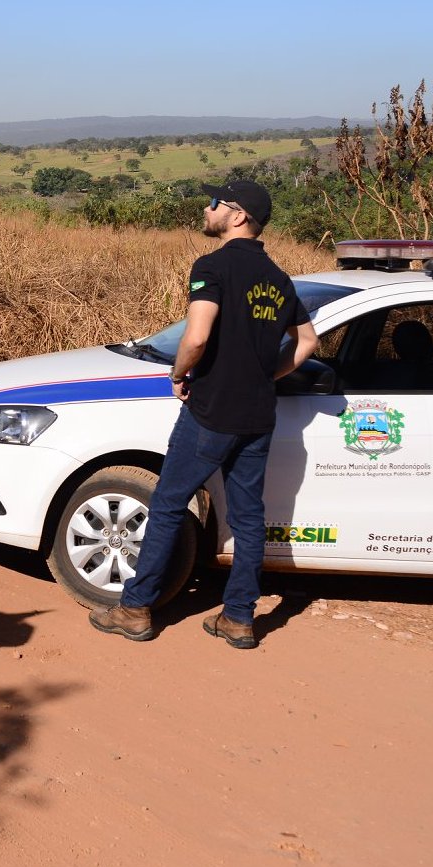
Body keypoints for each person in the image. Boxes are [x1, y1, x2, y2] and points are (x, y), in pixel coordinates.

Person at [89, 179, 318, 649]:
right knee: (249, 518)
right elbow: (309, 343)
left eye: (216, 203)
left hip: (210, 411)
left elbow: (195, 337)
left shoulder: (211, 267)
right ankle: (238, 619)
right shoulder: (279, 279)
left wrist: (179, 374)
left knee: (169, 504)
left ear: (237, 216)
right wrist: (264, 376)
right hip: (257, 415)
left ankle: (134, 609)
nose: (207, 207)